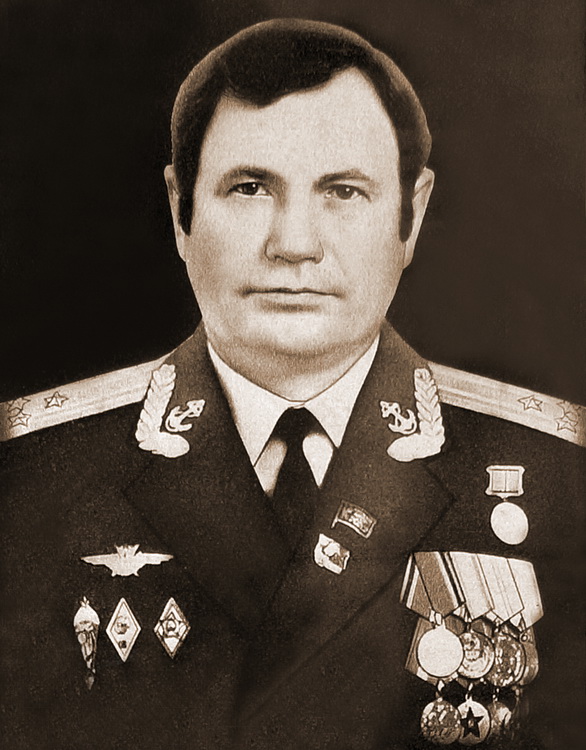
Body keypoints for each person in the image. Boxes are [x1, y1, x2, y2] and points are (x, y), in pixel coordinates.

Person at [0, 18, 584, 750]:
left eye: (343, 191)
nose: (295, 244)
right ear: (181, 210)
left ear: (412, 216)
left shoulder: (562, 479)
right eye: (249, 188)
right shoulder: (27, 478)